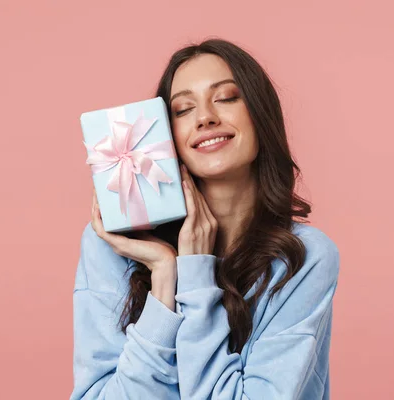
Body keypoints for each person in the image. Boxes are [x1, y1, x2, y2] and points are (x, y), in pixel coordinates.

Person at [70, 38, 340, 400]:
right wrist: (164, 280)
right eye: (183, 109)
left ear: (260, 116)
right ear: (167, 136)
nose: (205, 117)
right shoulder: (115, 245)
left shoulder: (303, 257)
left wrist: (196, 274)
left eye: (227, 97)